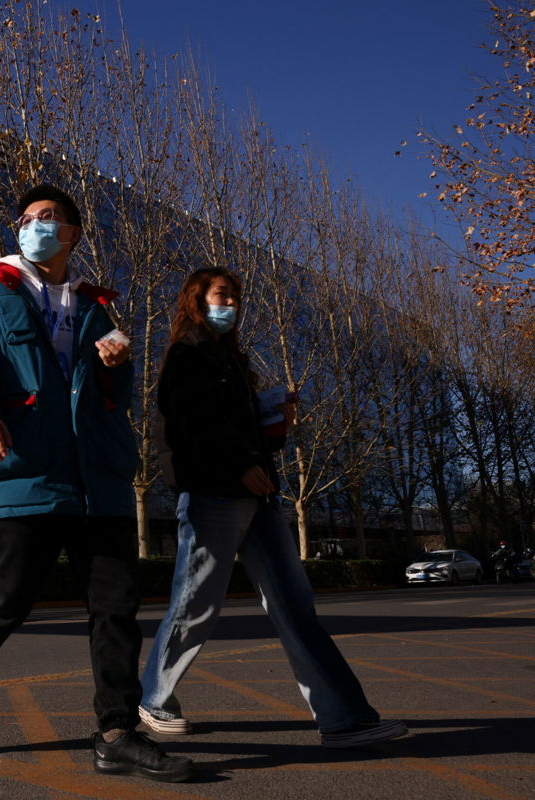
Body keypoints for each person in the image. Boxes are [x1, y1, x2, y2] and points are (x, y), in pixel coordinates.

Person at [0, 184, 195, 783]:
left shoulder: (96, 307)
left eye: (48, 218)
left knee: (115, 606)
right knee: (8, 599)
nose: (35, 226)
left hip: (95, 479)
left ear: (73, 234)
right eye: (27, 219)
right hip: (25, 470)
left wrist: (117, 371)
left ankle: (115, 733)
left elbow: (111, 401)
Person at [140, 266, 407, 748]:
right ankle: (154, 699)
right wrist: (241, 462)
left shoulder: (231, 360)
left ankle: (344, 718)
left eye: (236, 297)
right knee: (194, 605)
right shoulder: (187, 355)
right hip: (213, 495)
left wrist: (273, 422)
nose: (232, 304)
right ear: (195, 300)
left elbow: (236, 430)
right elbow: (189, 430)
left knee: (294, 607)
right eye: (222, 294)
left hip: (257, 495)